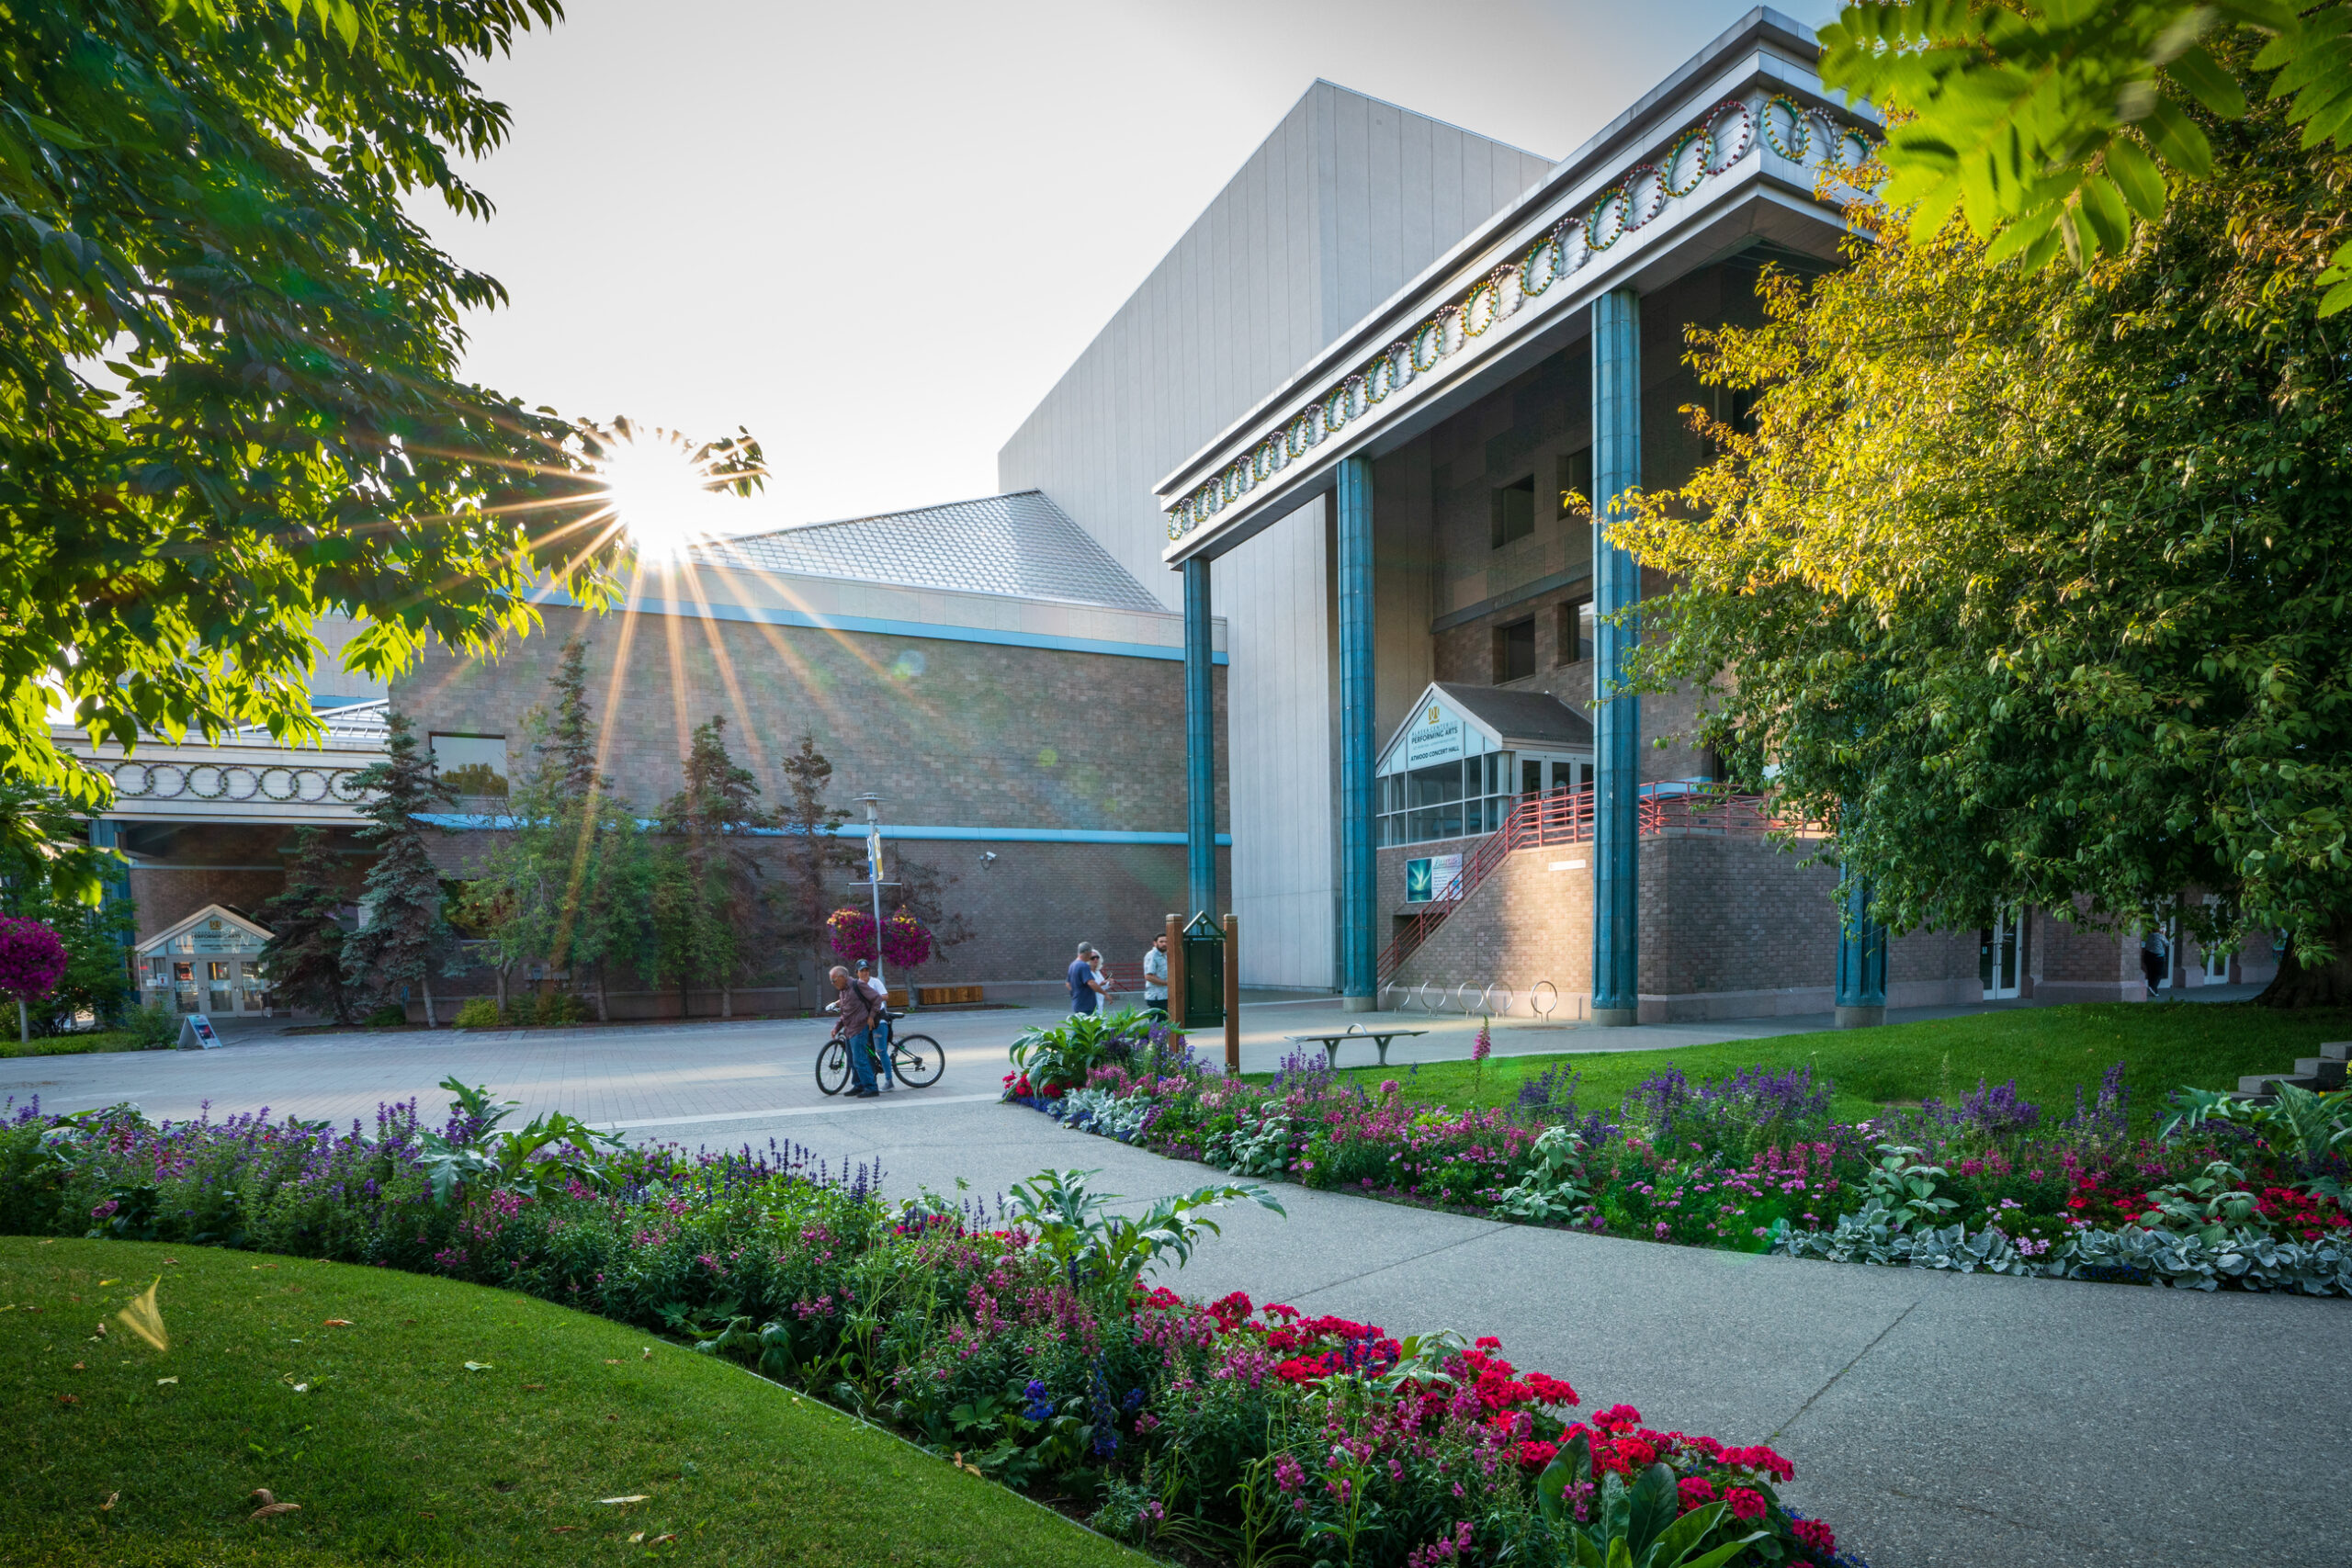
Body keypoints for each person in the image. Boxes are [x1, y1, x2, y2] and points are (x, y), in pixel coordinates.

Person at [829, 964, 888, 1098]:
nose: (832, 983)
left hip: (860, 1027)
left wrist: (871, 1016)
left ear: (843, 977)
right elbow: (845, 1013)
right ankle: (858, 1085)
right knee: (851, 1060)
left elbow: (877, 999)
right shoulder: (843, 991)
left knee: (859, 1059)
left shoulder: (858, 985)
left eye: (834, 980)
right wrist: (837, 1027)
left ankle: (871, 1088)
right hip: (849, 1029)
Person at [854, 959, 896, 1089]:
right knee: (868, 1052)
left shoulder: (875, 982)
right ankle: (872, 1080)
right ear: (857, 972)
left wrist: (871, 996)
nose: (865, 973)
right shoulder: (856, 985)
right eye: (862, 971)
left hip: (879, 1020)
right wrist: (836, 1003)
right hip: (865, 1021)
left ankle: (889, 1081)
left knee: (881, 1051)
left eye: (867, 970)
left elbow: (885, 996)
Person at [1067, 941, 1108, 1016]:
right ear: (1087, 952)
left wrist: (1076, 995)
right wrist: (1105, 994)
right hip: (1087, 1006)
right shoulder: (1084, 966)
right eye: (1090, 955)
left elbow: (1068, 984)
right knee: (1091, 1027)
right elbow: (1091, 983)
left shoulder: (1072, 965)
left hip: (1078, 1005)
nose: (1091, 957)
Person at [1141, 931, 1170, 1021]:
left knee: (1165, 1022)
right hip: (1156, 997)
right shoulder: (1152, 955)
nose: (1164, 944)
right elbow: (1149, 976)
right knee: (1156, 1024)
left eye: (1166, 942)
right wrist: (1168, 983)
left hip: (1165, 995)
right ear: (1155, 943)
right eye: (1161, 942)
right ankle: (1142, 1035)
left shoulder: (1166, 955)